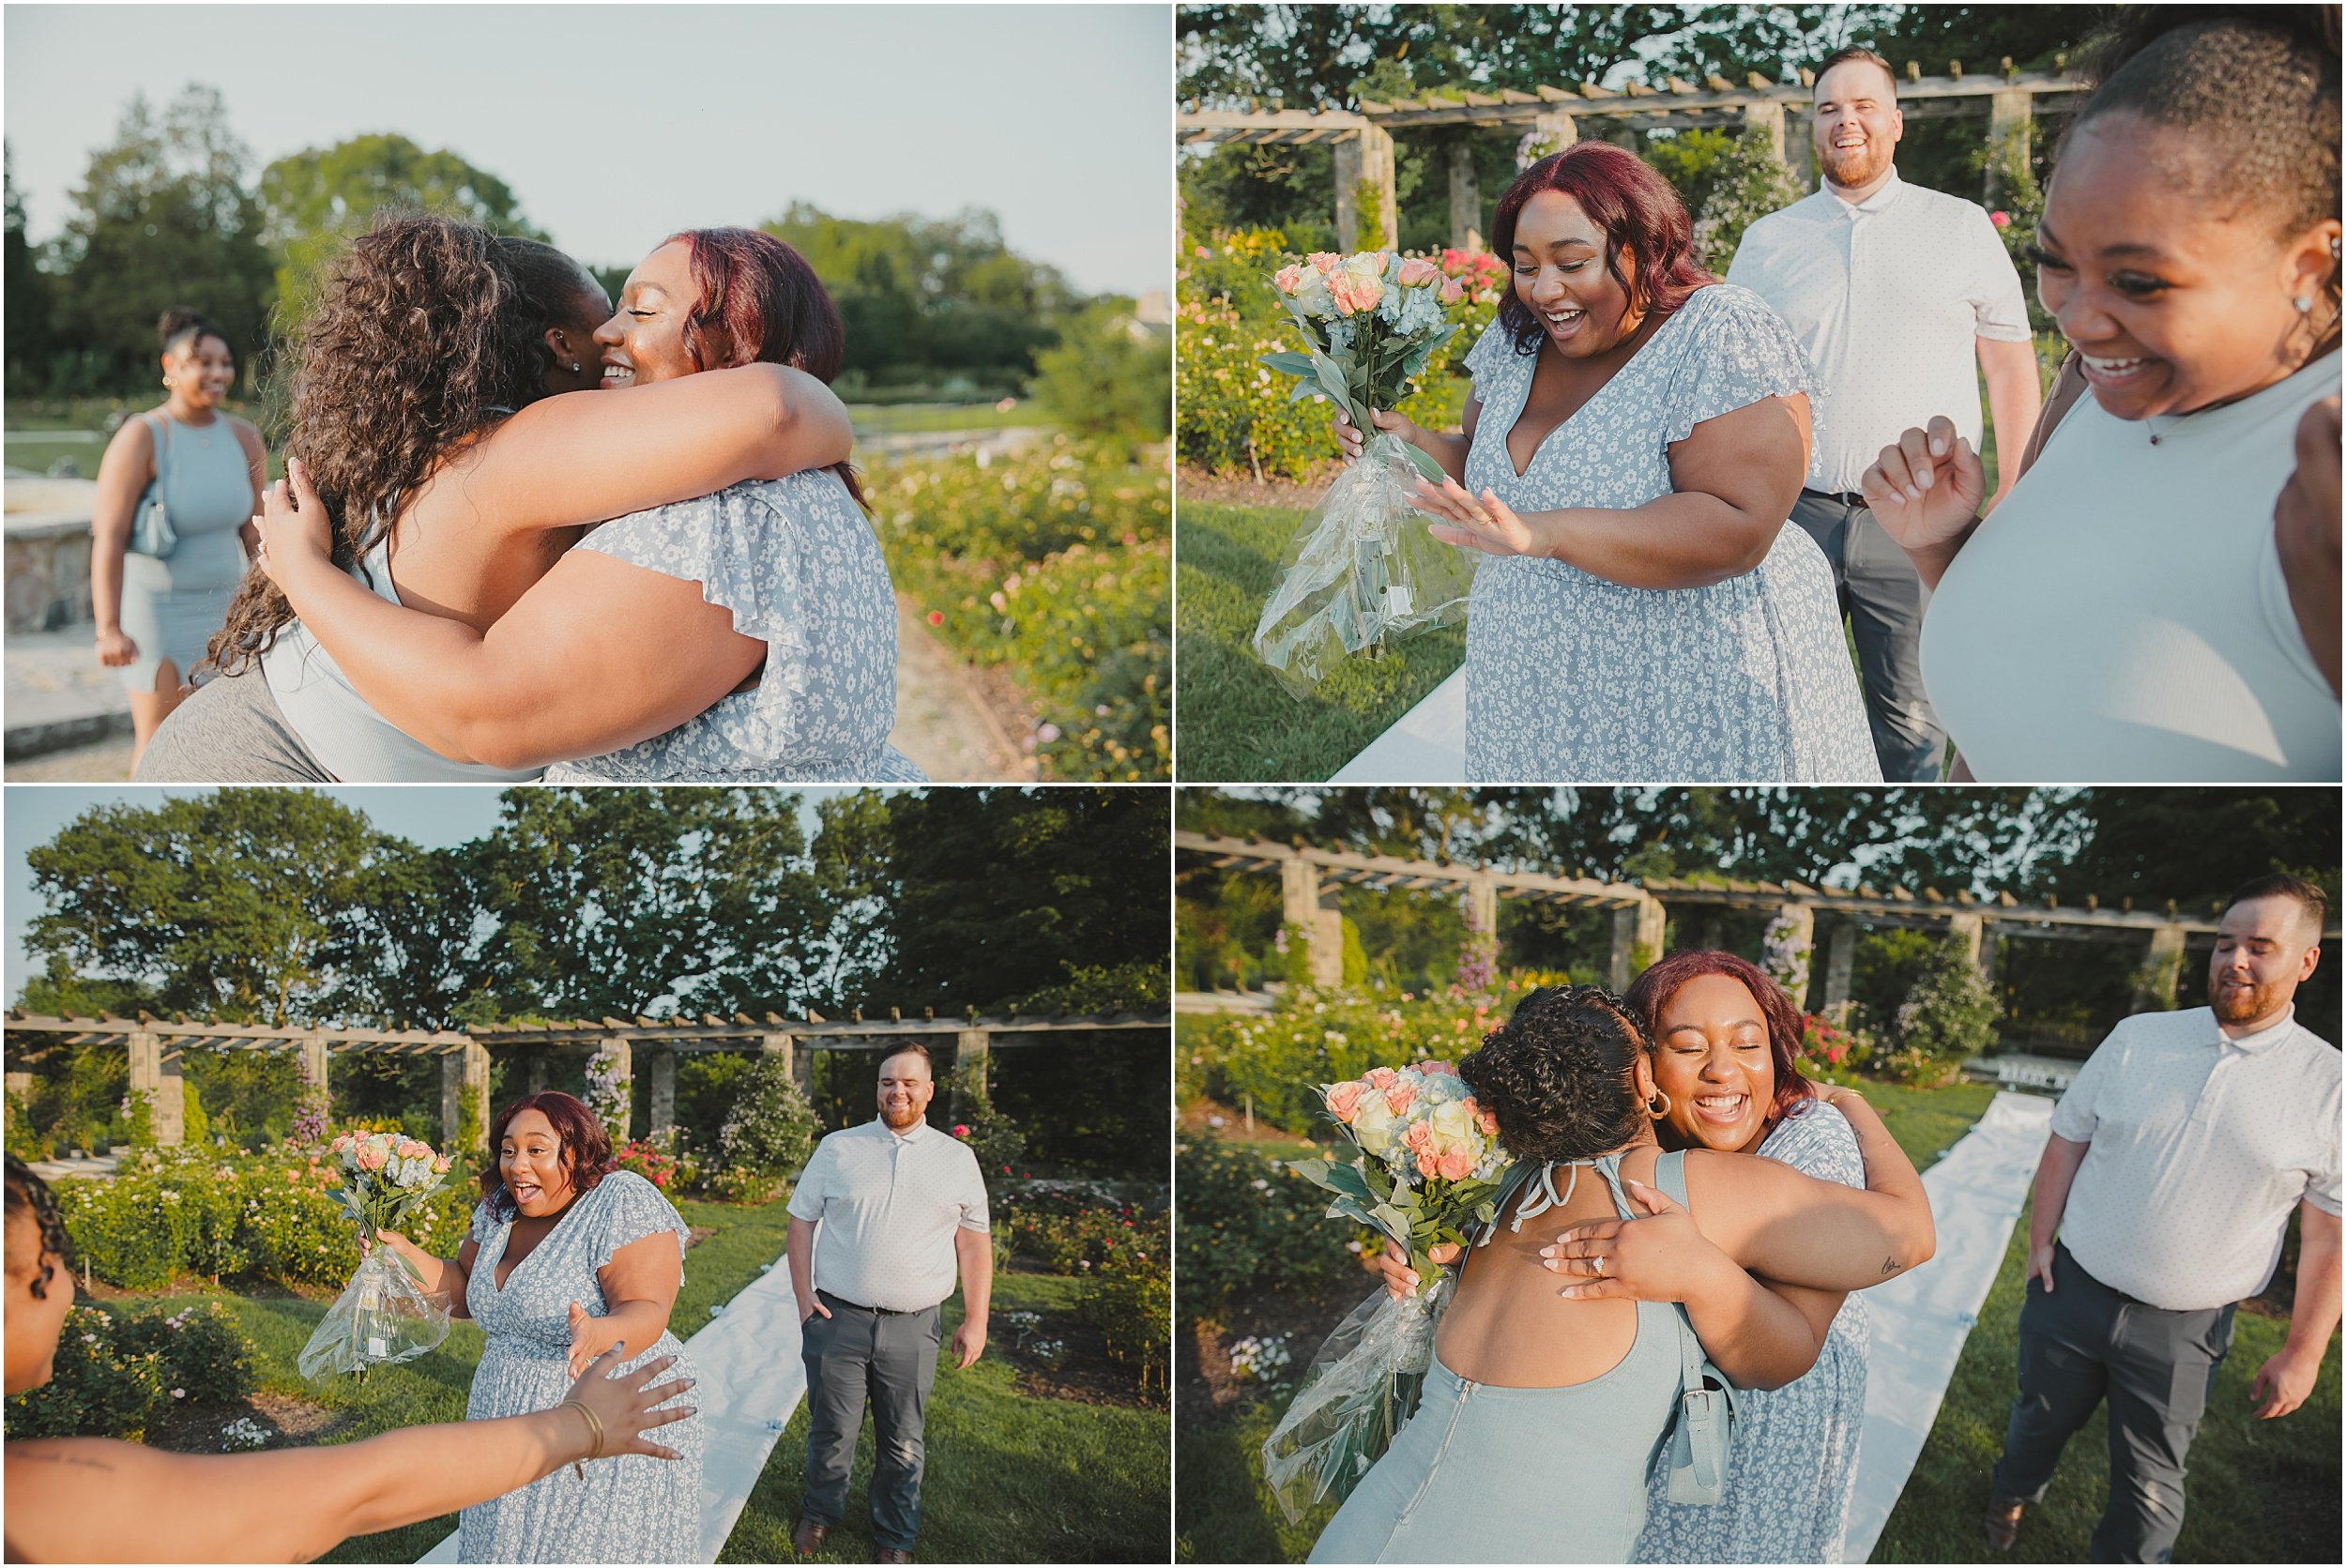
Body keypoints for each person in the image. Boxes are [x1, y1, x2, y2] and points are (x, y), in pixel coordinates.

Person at [131, 213, 867, 783]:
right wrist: (825, 405)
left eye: (637, 314)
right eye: (607, 314)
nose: (611, 332)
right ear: (555, 346)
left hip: (290, 756)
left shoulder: (485, 451)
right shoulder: (524, 444)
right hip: (268, 761)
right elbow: (778, 410)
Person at [1860, 10, 2341, 781]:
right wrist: (1940, 547)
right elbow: (2018, 704)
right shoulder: (2091, 385)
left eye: (2138, 280)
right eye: (2055, 261)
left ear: (2307, 265)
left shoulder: (2326, 465)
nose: (2075, 316)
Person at [1313, 984, 1934, 1564]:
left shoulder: (1499, 1195)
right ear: (1645, 1077)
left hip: (1363, 1531)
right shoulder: (1683, 1186)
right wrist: (1855, 1106)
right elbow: (1909, 1235)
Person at [1336, 142, 1876, 783]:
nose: (1544, 289)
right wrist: (1414, 442)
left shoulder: (1718, 332)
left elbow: (1738, 525)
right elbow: (1492, 471)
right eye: (1525, 264)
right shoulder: (1516, 340)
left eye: (1571, 262)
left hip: (1689, 685)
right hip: (1536, 688)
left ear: (1643, 247)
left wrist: (1548, 534)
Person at [4, 1153, 693, 1564]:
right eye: (48, 1257)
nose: (68, 1282)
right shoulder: (46, 1493)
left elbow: (644, 1300)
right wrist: (585, 1425)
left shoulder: (33, 1486)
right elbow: (364, 1485)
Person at [1983, 874, 2341, 1560]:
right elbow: (2068, 1138)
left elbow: (2329, 1235)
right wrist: (2038, 1243)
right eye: (2225, 942)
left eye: (2259, 946)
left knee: (2151, 1480)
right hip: (2073, 1292)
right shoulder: (2137, 1037)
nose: (2234, 959)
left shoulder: (2330, 1087)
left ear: (2307, 959)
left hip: (2185, 1329)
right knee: (2036, 1422)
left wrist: (2304, 1350)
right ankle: (2011, 1491)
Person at [1727, 46, 2042, 782]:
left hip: (1916, 518)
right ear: (1814, 126)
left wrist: (2014, 484)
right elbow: (1733, 378)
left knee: (1909, 719)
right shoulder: (1768, 241)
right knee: (1775, 706)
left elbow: (2009, 361)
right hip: (1791, 517)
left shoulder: (1959, 226)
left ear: (1896, 122)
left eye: (1864, 105)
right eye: (1830, 109)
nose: (1847, 122)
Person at [374, 1092, 704, 1563]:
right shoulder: (500, 1210)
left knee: (580, 1548)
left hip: (596, 1404)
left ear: (577, 1150)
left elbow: (648, 1307)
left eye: (536, 1149)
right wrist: (404, 1255)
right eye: (508, 1150)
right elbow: (466, 1288)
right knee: (505, 1541)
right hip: (505, 1403)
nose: (517, 1165)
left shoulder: (617, 1200)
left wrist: (597, 1333)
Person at [785, 1045, 992, 1565]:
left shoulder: (956, 1159)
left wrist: (976, 1319)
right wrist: (804, 1296)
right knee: (832, 1428)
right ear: (876, 1088)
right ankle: (819, 1513)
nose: (895, 1091)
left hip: (914, 1326)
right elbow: (800, 1221)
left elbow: (973, 1242)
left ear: (928, 1090)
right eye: (885, 1082)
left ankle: (895, 1536)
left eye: (907, 1083)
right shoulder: (838, 1147)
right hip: (837, 1320)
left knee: (903, 1438)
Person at [87, 309, 267, 769]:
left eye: (224, 362)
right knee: (159, 741)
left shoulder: (245, 438)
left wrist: (273, 599)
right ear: (170, 367)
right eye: (203, 361)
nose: (218, 373)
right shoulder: (142, 437)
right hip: (157, 615)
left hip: (225, 613)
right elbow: (108, 537)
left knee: (214, 743)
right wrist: (108, 629)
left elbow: (254, 532)